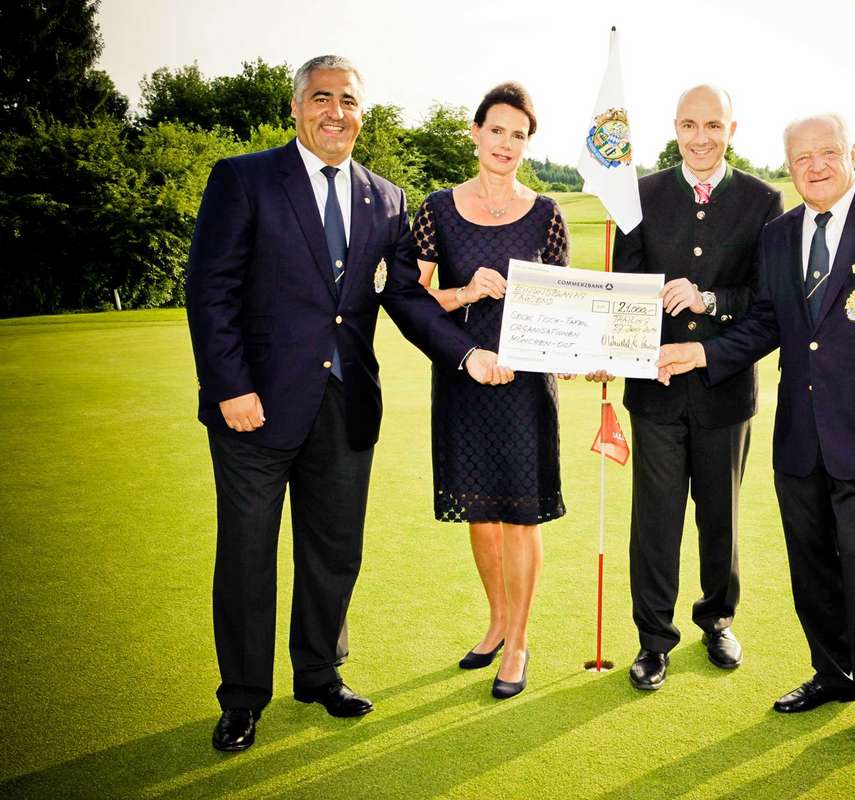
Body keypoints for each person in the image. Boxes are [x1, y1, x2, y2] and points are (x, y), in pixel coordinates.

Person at [186, 55, 507, 753]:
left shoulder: (386, 199)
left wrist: (467, 352)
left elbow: (406, 301)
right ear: (297, 109)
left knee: (334, 551)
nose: (336, 111)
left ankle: (320, 673)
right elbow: (209, 291)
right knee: (247, 556)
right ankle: (242, 697)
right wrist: (229, 387)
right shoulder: (244, 179)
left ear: (363, 112)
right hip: (256, 408)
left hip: (345, 404)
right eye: (321, 98)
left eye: (348, 100)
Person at [657, 114, 855, 753]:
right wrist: (701, 356)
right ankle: (832, 673)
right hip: (798, 436)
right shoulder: (782, 233)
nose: (815, 166)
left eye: (827, 153)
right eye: (801, 157)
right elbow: (767, 323)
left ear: (851, 153)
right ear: (789, 166)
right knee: (811, 564)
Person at [588, 85, 782, 691]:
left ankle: (717, 617)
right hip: (656, 390)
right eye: (690, 125)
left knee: (718, 517)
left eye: (713, 125)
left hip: (725, 391)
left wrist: (713, 300)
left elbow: (767, 303)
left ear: (732, 128)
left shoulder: (763, 200)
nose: (701, 137)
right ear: (674, 127)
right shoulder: (639, 195)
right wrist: (616, 352)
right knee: (656, 520)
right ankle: (654, 640)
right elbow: (623, 288)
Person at [412, 81, 569, 700]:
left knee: (520, 516)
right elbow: (415, 301)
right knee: (480, 513)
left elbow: (565, 304)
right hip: (465, 380)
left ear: (528, 145)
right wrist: (467, 292)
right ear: (475, 133)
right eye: (496, 130)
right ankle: (497, 622)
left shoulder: (547, 213)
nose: (506, 144)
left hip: (528, 387)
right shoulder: (437, 210)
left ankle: (521, 641)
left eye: (519, 135)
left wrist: (591, 351)